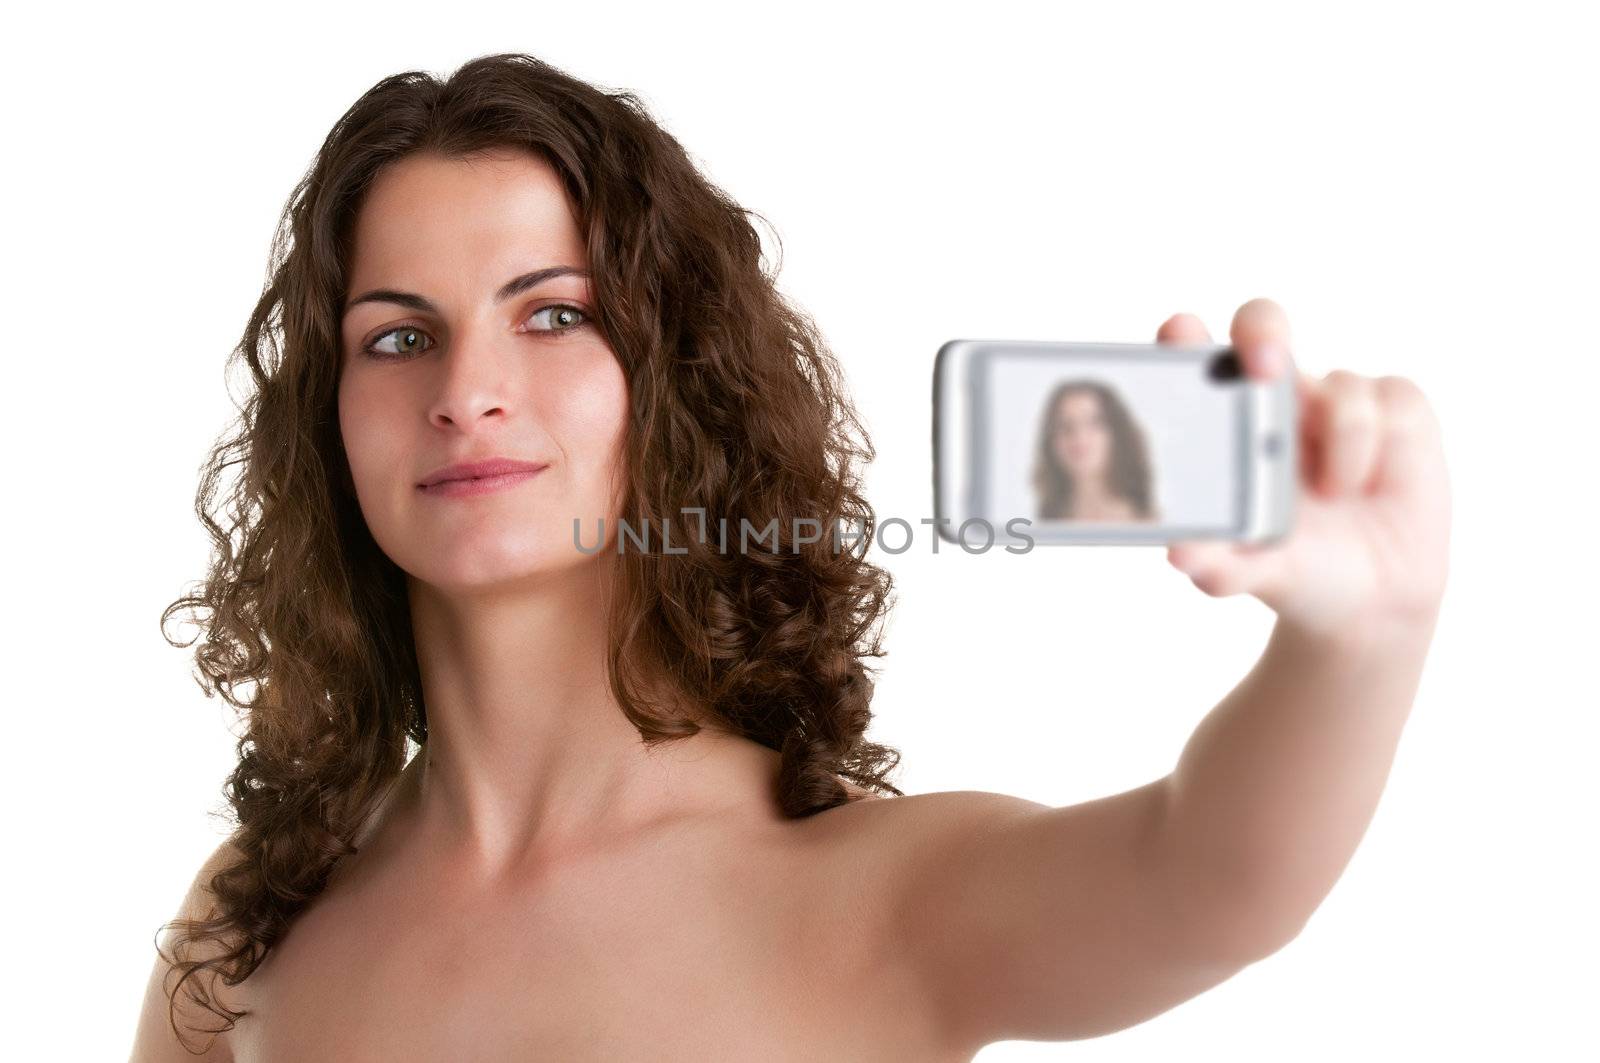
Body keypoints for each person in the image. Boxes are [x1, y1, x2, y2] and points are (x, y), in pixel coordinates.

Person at [129, 53, 1452, 1062]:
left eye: (553, 315)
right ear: (329, 417)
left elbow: (1210, 872)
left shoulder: (880, 902)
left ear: (677, 383)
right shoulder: (248, 925)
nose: (469, 389)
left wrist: (1361, 636)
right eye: (398, 335)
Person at [1032, 379, 1158, 521]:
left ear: (1118, 434)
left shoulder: (1149, 523)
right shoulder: (1042, 526)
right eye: (1065, 425)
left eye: (1094, 423)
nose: (1079, 436)